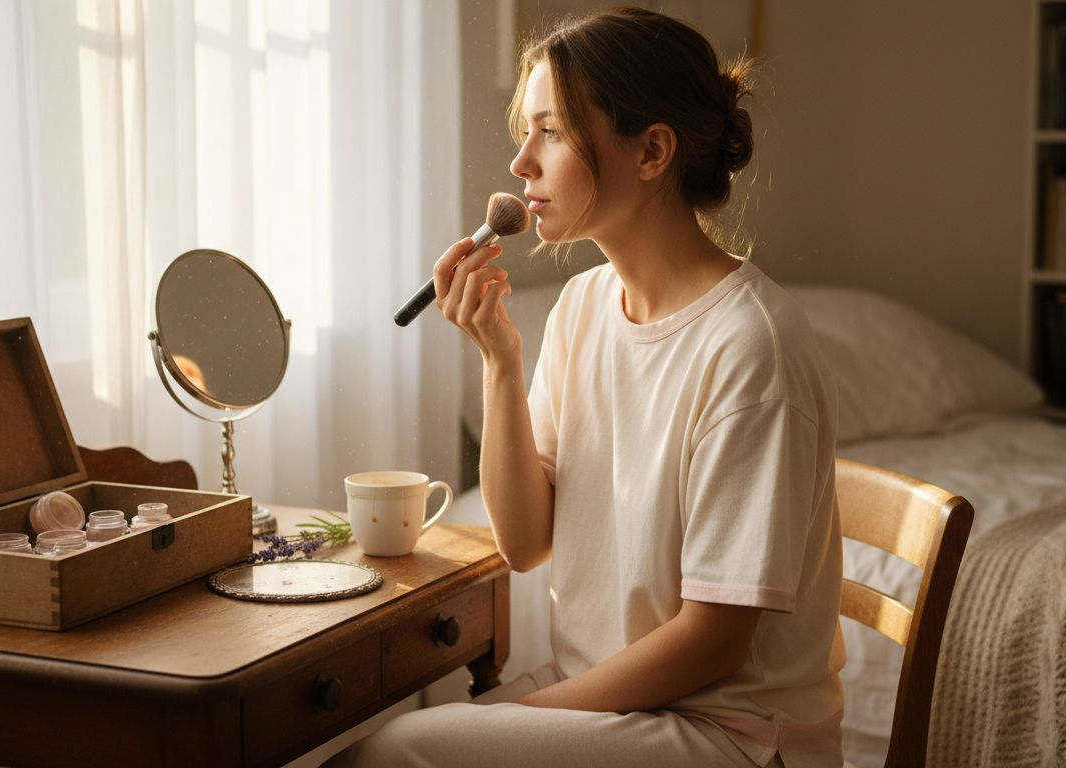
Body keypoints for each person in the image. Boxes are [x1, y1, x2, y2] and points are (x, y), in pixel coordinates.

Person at [327, 7, 842, 768]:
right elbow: (526, 542)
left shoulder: (750, 347)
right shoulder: (585, 306)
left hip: (727, 733)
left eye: (553, 131)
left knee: (398, 753)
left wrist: (522, 715)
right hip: (612, 697)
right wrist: (500, 361)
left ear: (652, 151)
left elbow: (714, 643)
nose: (521, 163)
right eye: (527, 131)